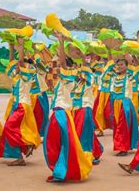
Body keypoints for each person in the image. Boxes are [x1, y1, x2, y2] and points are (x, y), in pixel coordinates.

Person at [43, 33, 93, 182]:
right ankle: (60, 170)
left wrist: (60, 41)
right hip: (60, 113)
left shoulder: (69, 76)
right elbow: (52, 71)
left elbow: (63, 64)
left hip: (62, 114)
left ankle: (61, 170)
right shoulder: (62, 79)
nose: (58, 66)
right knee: (57, 143)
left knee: (56, 143)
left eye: (60, 64)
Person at [0, 38, 40, 166]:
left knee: (10, 128)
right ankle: (21, 151)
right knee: (10, 129)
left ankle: (25, 148)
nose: (16, 65)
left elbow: (21, 61)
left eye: (19, 64)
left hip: (22, 106)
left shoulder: (27, 75)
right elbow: (12, 62)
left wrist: (21, 46)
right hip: (16, 106)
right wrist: (11, 45)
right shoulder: (16, 76)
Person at [102, 52, 139, 156]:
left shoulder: (130, 76)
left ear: (127, 66)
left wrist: (132, 57)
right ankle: (121, 146)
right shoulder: (114, 77)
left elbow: (138, 76)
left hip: (125, 104)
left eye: (122, 65)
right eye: (118, 65)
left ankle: (124, 147)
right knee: (117, 125)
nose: (119, 66)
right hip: (116, 103)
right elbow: (107, 81)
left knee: (123, 126)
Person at [71, 52, 103, 165]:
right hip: (77, 109)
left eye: (82, 73)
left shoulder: (90, 80)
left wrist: (83, 56)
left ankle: (86, 154)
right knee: (86, 132)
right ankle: (96, 151)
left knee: (83, 133)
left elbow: (85, 67)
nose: (80, 74)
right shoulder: (78, 83)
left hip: (85, 109)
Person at [30, 52, 50, 139]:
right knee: (32, 115)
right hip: (30, 97)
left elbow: (41, 66)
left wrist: (36, 56)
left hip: (40, 96)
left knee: (42, 114)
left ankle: (42, 133)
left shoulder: (40, 72)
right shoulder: (28, 74)